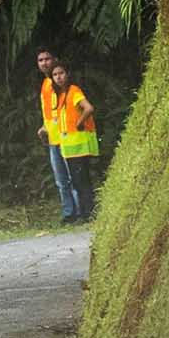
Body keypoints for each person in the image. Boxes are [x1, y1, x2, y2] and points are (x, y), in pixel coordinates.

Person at [47, 60, 99, 221]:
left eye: (61, 73)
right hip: (70, 145)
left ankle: (88, 213)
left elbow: (88, 108)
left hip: (79, 144)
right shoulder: (61, 95)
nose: (58, 77)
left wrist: (80, 122)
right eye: (55, 75)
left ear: (67, 74)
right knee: (77, 180)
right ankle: (85, 213)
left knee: (81, 180)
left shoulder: (74, 91)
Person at [35, 46, 82, 222]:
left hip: (66, 135)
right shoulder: (46, 84)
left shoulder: (62, 83)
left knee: (72, 175)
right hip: (53, 138)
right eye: (40, 60)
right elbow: (49, 111)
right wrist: (44, 127)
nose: (44, 63)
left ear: (54, 59)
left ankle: (79, 211)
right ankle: (68, 212)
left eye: (47, 59)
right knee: (60, 178)